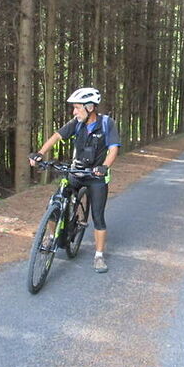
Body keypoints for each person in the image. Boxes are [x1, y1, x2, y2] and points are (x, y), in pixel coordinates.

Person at [29, 87, 120, 273]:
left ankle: (99, 256)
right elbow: (56, 136)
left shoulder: (106, 124)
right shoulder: (76, 123)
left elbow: (113, 149)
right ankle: (52, 236)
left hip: (96, 177)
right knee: (54, 203)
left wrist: (104, 167)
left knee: (98, 217)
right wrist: (40, 153)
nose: (74, 111)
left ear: (90, 107)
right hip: (76, 172)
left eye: (77, 108)